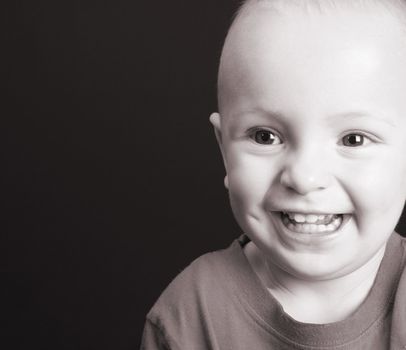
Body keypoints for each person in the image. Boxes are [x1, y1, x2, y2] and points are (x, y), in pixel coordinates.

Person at [141, 0, 406, 348]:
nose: (304, 177)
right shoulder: (190, 315)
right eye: (265, 137)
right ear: (224, 150)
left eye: (353, 139)